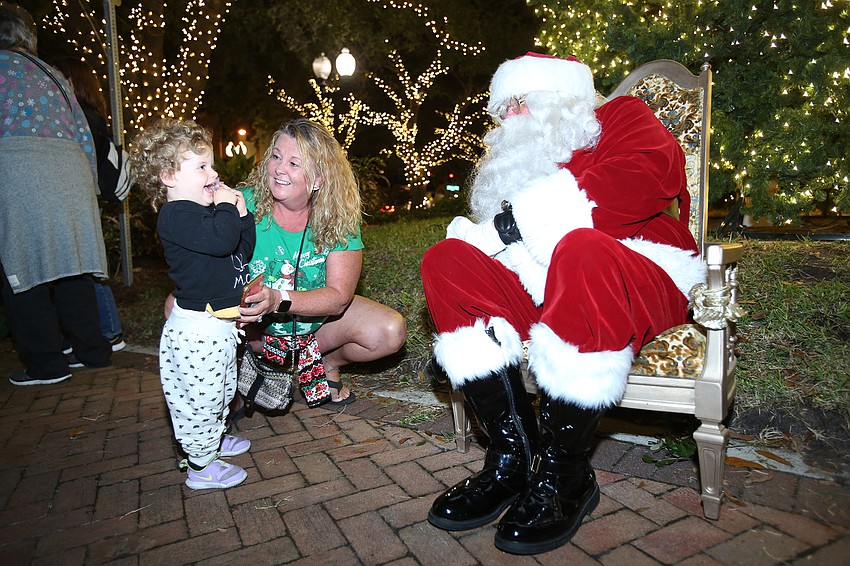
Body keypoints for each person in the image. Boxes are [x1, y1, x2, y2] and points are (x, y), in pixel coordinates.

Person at [420, 53, 707, 555]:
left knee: (581, 249)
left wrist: (514, 224)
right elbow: (507, 252)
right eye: (502, 106)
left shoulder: (619, 117)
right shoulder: (522, 159)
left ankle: (566, 474)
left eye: (518, 103)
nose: (506, 117)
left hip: (638, 269)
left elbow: (649, 175)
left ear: (556, 98)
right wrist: (484, 240)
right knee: (446, 260)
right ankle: (512, 458)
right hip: (547, 288)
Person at [236, 118, 406, 408]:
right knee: (177, 305)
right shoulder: (241, 205)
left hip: (314, 331)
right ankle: (234, 378)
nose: (279, 168)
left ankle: (323, 363)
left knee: (389, 330)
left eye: (294, 163)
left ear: (317, 179)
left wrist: (277, 298)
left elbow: (339, 298)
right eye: (276, 156)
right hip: (254, 332)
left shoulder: (338, 219)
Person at [129, 119, 256, 490]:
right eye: (201, 166)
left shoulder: (207, 216)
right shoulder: (177, 215)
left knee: (220, 389)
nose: (213, 173)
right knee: (199, 399)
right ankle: (200, 467)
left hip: (219, 326)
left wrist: (242, 214)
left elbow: (238, 252)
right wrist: (225, 209)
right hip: (196, 330)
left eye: (210, 165)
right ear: (169, 175)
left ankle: (213, 441)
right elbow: (220, 240)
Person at [0, 2, 112, 385]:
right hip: (70, 169)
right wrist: (89, 186)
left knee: (20, 264)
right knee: (72, 263)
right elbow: (82, 131)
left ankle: (47, 363)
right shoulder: (51, 73)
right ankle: (92, 350)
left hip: (15, 167)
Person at [51, 56, 126, 353]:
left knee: (87, 268)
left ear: (74, 82)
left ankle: (109, 331)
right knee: (83, 267)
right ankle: (95, 331)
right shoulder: (90, 114)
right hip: (83, 198)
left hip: (81, 199)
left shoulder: (82, 117)